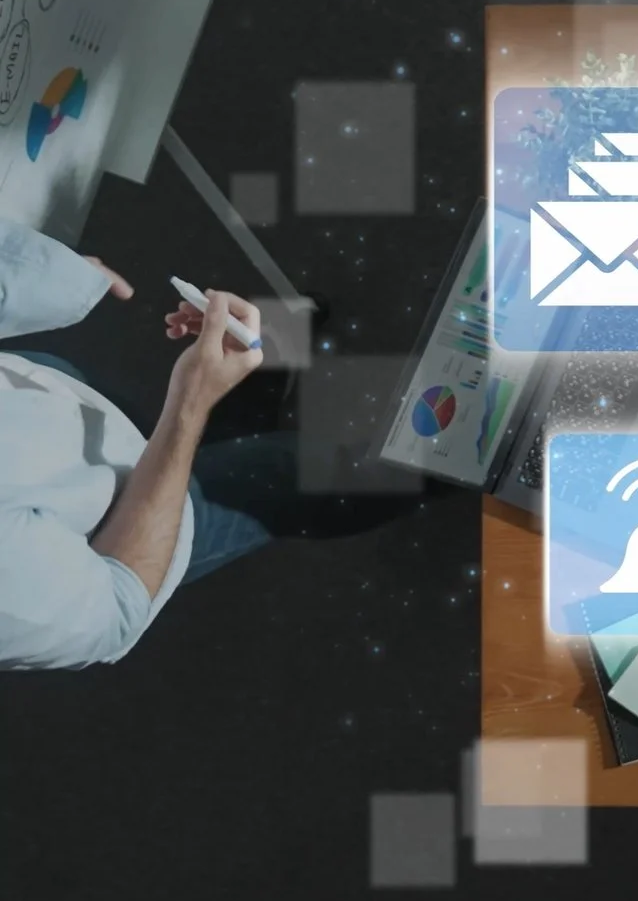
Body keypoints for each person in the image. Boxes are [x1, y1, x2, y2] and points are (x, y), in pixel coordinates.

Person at [0, 219, 421, 671]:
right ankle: (448, 463)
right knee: (296, 476)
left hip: (55, 407)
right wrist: (188, 406)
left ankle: (252, 379)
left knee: (199, 448)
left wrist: (42, 278)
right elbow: (116, 606)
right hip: (131, 523)